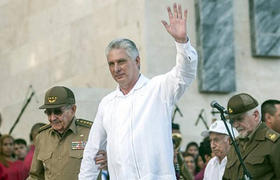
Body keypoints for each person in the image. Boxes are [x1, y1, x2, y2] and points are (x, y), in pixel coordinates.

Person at [79, 3, 198, 179]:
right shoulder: (107, 103)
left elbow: (185, 74)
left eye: (122, 62)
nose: (116, 68)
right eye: (111, 64)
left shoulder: (158, 89)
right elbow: (92, 152)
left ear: (137, 61)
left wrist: (182, 43)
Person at [27, 86, 99, 180]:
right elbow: (35, 176)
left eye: (58, 112)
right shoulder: (42, 137)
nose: (52, 118)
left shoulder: (91, 133)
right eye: (48, 113)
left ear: (73, 110)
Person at [223, 93, 280, 179]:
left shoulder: (274, 143)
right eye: (232, 121)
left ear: (255, 115)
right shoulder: (235, 145)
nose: (235, 125)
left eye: (239, 119)